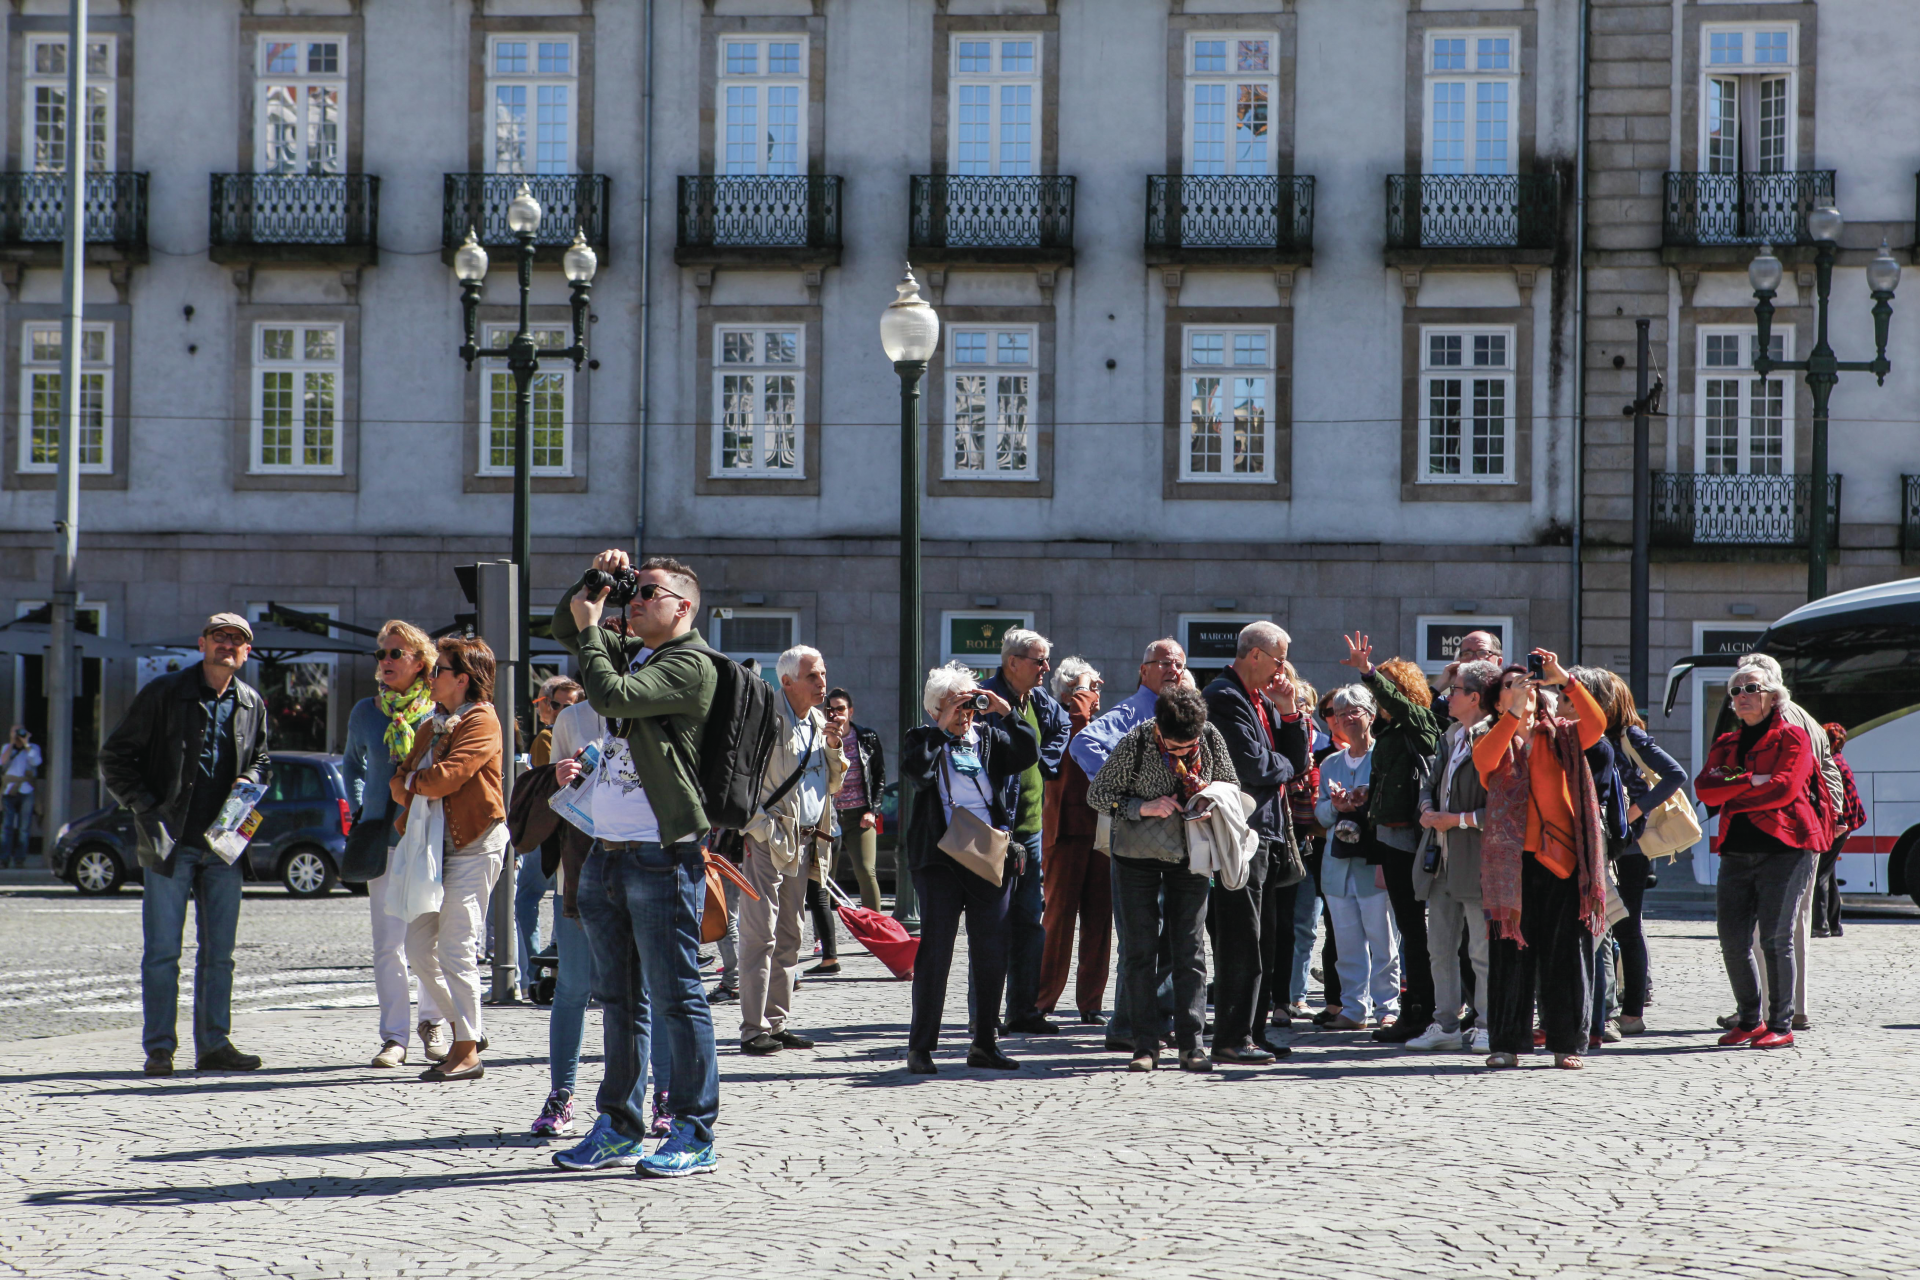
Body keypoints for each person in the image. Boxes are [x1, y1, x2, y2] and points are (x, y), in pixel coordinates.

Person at [549, 550, 721, 1178]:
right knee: (618, 999)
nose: (637, 599)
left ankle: (694, 1130)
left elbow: (608, 690)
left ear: (683, 606)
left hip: (661, 853)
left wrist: (597, 627)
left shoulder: (690, 665)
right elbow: (566, 627)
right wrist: (593, 582)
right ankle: (619, 1126)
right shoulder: (641, 651)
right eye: (635, 591)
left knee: (677, 996)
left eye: (650, 592)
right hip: (607, 850)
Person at [101, 613, 272, 1077]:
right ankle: (159, 1048)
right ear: (202, 644)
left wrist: (250, 777)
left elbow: (261, 758)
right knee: (162, 952)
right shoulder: (164, 693)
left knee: (219, 954)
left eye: (237, 640)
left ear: (246, 652)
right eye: (219, 638)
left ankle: (214, 1045)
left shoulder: (251, 702)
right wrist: (145, 807)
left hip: (223, 845)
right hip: (169, 841)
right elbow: (115, 757)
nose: (227, 646)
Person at [538, 678, 664, 1146]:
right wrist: (563, 775)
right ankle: (561, 1095)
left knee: (648, 988)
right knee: (571, 986)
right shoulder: (573, 718)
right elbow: (557, 799)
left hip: (643, 861)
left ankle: (662, 1098)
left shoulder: (656, 704)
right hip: (582, 863)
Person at [1089, 685, 1236, 1073]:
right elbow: (1098, 794)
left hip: (1191, 856)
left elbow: (1232, 787)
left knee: (1190, 950)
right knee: (1140, 952)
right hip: (1135, 860)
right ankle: (1145, 1044)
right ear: (1159, 731)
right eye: (1174, 748)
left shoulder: (1211, 738)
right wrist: (1141, 806)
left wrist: (1211, 799)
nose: (1183, 754)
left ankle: (1192, 1045)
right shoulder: (1135, 742)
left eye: (1189, 748)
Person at [1474, 652, 1609, 1070]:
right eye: (1510, 686)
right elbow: (1487, 763)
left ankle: (1568, 1042)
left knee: (1567, 955)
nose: (1522, 689)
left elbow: (1598, 724)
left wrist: (1563, 678)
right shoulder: (1491, 737)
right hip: (1512, 865)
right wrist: (1512, 718)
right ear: (1497, 703)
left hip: (1564, 862)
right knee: (1510, 955)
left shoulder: (1563, 736)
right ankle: (1506, 1043)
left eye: (1527, 683)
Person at [900, 661, 1037, 1075]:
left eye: (968, 703)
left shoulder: (989, 738)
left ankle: (984, 1043)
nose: (965, 713)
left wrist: (1005, 711)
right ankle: (921, 1047)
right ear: (935, 708)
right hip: (939, 858)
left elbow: (1028, 751)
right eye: (954, 704)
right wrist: (943, 729)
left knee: (992, 949)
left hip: (987, 853)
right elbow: (916, 772)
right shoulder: (922, 739)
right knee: (936, 951)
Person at [1696, 661, 1833, 1050]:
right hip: (1736, 852)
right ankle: (1749, 1019)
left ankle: (1781, 1023)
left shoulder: (1793, 737)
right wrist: (1747, 780)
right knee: (1733, 939)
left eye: (1750, 689)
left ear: (1773, 697)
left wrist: (1733, 791)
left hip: (1786, 849)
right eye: (1735, 691)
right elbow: (1706, 788)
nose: (1740, 697)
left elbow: (1783, 790)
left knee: (1776, 938)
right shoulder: (1725, 743)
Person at [391, 635, 507, 1084]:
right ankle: (467, 1031)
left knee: (457, 947)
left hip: (475, 843)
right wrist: (414, 781)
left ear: (462, 678)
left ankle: (466, 1051)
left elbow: (447, 777)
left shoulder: (483, 720)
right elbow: (398, 779)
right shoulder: (433, 722)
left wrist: (414, 782)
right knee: (419, 948)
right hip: (433, 849)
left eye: (438, 669)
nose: (430, 675)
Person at [1070, 638, 1191, 1053]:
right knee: (1140, 939)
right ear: (1144, 670)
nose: (1173, 669)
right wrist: (1129, 789)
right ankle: (1126, 1024)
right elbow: (1082, 743)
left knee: (1176, 938)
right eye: (1164, 663)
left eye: (1179, 663)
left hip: (1181, 840)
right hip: (1137, 840)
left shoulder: (1187, 713)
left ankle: (1157, 1019)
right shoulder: (1131, 712)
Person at [341, 621, 447, 1069]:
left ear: (420, 662)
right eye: (380, 655)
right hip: (383, 836)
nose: (384, 662)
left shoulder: (438, 712)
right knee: (388, 944)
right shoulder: (366, 711)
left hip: (426, 838)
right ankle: (394, 1038)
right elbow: (351, 765)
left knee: (429, 942)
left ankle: (433, 1025)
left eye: (394, 654)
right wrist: (365, 807)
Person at [1201, 622, 1308, 1063]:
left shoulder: (1261, 698)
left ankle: (1252, 1032)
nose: (1284, 669)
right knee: (1241, 939)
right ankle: (1231, 1036)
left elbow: (1296, 762)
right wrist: (1282, 764)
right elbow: (1254, 767)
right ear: (1256, 655)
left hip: (1266, 832)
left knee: (1263, 940)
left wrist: (1288, 712)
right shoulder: (1224, 696)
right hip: (1240, 834)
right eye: (1279, 658)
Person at [738, 645, 847, 1054]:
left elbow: (831, 784)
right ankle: (753, 1028)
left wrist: (834, 747)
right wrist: (759, 828)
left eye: (822, 674)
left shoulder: (819, 721)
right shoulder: (765, 719)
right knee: (759, 935)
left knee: (790, 934)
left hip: (806, 842)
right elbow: (738, 780)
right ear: (786, 682)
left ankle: (777, 1022)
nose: (823, 683)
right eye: (813, 677)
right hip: (769, 839)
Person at [1338, 635, 1440, 1043]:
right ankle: (1418, 1006)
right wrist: (1366, 797)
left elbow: (1401, 706)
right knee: (1408, 928)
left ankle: (1421, 1011)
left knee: (1416, 931)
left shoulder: (1421, 723)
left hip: (1411, 840)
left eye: (1383, 688)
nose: (1377, 698)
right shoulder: (1390, 730)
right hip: (1388, 839)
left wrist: (1369, 671)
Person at [1582, 668, 1687, 1037]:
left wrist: (1632, 813)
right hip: (1605, 842)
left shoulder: (1629, 735)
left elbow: (1675, 774)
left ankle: (1632, 1011)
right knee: (1610, 924)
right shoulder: (1591, 736)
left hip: (1630, 847)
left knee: (1627, 924)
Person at [980, 629, 1072, 1036]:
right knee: (990, 923)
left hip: (1031, 829)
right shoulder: (985, 700)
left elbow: (1062, 724)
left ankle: (1022, 1011)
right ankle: (983, 1017)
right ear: (1012, 662)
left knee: (1029, 922)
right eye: (1039, 661)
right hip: (994, 827)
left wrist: (1045, 762)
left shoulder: (1037, 700)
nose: (1046, 669)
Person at [1406, 660, 1501, 1052]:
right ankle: (1444, 1024)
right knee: (1439, 948)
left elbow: (1502, 809)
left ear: (1475, 697)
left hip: (1476, 860)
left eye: (1456, 690)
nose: (1448, 696)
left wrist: (1455, 820)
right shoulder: (1451, 734)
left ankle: (1485, 1024)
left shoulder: (1495, 737)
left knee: (1481, 951)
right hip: (1440, 858)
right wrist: (1427, 808)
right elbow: (1430, 782)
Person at [1314, 684, 1399, 1032]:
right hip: (1338, 864)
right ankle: (1353, 1008)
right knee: (1346, 942)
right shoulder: (1331, 763)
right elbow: (1319, 815)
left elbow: (1394, 806)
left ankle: (1388, 1008)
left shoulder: (1382, 756)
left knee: (1382, 939)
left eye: (1355, 711)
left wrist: (1364, 802)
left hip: (1374, 862)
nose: (1347, 718)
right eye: (1340, 712)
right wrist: (1335, 807)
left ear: (1371, 714)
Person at [1036, 657, 1109, 1025]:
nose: (1097, 693)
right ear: (1071, 692)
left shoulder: (1101, 725)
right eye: (1090, 686)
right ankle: (1042, 1000)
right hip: (1065, 831)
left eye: (1096, 688)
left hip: (1099, 832)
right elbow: (1077, 731)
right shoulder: (1060, 720)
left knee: (1099, 921)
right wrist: (1081, 689)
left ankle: (1091, 1002)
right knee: (1059, 920)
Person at [516, 676, 583, 1000]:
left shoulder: (552, 734)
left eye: (566, 705)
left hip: (553, 832)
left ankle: (534, 972)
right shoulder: (549, 735)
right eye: (555, 704)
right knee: (545, 900)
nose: (558, 710)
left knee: (531, 899)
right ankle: (542, 966)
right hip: (552, 829)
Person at [1282, 672, 1324, 1021]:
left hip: (1312, 845)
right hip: (1283, 841)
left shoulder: (1325, 749)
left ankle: (1298, 995)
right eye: (1296, 705)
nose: (1302, 711)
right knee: (1279, 922)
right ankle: (1278, 994)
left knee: (1306, 924)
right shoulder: (1280, 742)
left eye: (1306, 704)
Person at [825, 687, 886, 912]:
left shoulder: (866, 737)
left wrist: (873, 811)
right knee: (824, 878)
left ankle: (877, 929)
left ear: (850, 711)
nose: (835, 714)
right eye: (829, 710)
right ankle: (824, 936)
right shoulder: (819, 739)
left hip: (860, 816)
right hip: (829, 817)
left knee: (866, 871)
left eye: (840, 709)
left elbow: (879, 776)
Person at [1811, 722, 1867, 939]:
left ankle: (1820, 925)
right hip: (1842, 825)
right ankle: (1834, 925)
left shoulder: (1831, 764)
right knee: (1829, 873)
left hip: (1836, 825)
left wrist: (1839, 825)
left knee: (1819, 874)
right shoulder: (1839, 760)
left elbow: (1836, 799)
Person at [0, 725, 41, 868]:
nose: (18, 735)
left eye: (20, 732)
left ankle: (20, 859)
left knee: (24, 827)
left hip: (26, 790)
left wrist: (26, 744)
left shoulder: (33, 747)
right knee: (7, 825)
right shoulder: (6, 747)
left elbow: (36, 762)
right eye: (16, 732)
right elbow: (2, 762)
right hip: (9, 790)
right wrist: (12, 742)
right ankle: (4, 858)